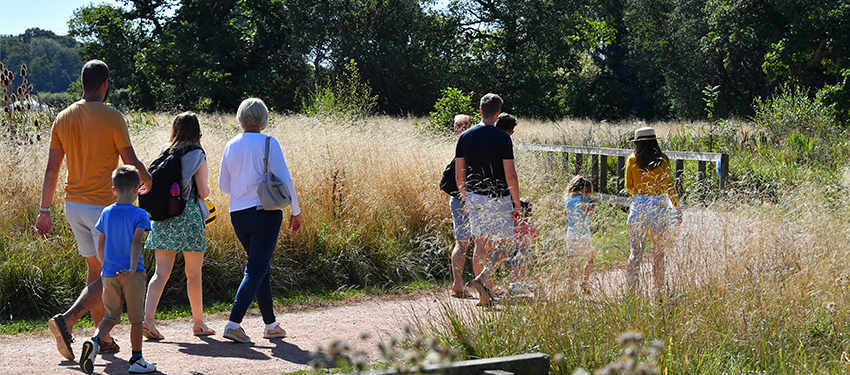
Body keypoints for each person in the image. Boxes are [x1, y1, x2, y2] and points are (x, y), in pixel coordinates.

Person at [37, 60, 151, 360]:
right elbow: (129, 160)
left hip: (72, 204)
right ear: (105, 84)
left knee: (97, 271)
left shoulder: (63, 117)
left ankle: (105, 337)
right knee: (113, 272)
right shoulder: (113, 116)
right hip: (103, 205)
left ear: (82, 82)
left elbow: (51, 169)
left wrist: (44, 210)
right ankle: (68, 320)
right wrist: (148, 179)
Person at [219, 98, 302, 343]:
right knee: (256, 268)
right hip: (265, 213)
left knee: (260, 267)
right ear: (263, 119)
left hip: (238, 214)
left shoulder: (230, 145)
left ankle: (271, 324)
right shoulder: (269, 143)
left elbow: (224, 186)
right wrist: (295, 211)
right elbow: (286, 180)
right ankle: (234, 323)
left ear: (241, 118)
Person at [142, 112, 214, 340]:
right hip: (189, 219)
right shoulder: (197, 154)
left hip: (163, 219)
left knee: (160, 274)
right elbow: (202, 191)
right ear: (197, 131)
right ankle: (198, 323)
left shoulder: (166, 154)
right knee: (193, 274)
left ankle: (148, 321)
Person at [79, 166, 155, 374]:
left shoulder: (106, 212)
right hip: (133, 273)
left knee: (111, 315)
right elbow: (136, 242)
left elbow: (100, 243)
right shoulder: (140, 214)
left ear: (114, 190)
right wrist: (131, 268)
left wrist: (105, 265)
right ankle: (137, 359)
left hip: (109, 273)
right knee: (136, 319)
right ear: (137, 189)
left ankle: (94, 342)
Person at [455, 94, 521, 306]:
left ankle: (484, 293)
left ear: (480, 110)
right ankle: (484, 279)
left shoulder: (465, 136)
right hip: (498, 196)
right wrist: (516, 203)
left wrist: (466, 199)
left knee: (480, 245)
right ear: (498, 112)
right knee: (506, 242)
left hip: (474, 196)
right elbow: (510, 174)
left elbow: (459, 175)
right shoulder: (503, 138)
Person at [625, 127, 681, 297]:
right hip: (658, 205)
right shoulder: (663, 160)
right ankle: (658, 291)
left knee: (635, 253)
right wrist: (676, 207)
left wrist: (641, 194)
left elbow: (629, 187)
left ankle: (631, 292)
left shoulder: (632, 160)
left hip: (639, 205)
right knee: (658, 253)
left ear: (638, 143)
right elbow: (669, 186)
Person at [446, 114, 478, 298]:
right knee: (478, 243)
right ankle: (480, 284)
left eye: (464, 124)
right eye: (460, 125)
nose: (462, 127)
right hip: (468, 198)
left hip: (458, 198)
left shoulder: (458, 143)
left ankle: (458, 284)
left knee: (463, 243)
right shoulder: (468, 144)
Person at [564, 175, 597, 293]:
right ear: (584, 190)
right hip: (583, 234)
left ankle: (570, 288)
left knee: (572, 263)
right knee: (590, 258)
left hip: (571, 233)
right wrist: (593, 204)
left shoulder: (568, 200)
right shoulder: (585, 199)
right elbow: (589, 213)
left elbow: (566, 215)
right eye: (588, 191)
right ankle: (584, 282)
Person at [506, 198, 539, 297]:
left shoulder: (512, 223)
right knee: (522, 271)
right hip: (525, 249)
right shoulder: (528, 223)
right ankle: (522, 287)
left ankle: (514, 287)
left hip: (513, 249)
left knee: (514, 270)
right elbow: (536, 234)